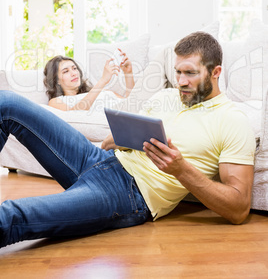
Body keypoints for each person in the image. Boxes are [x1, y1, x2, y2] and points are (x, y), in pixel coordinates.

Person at [0, 32, 256, 249]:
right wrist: (121, 138)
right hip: (98, 158)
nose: (180, 82)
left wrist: (182, 169)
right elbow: (112, 141)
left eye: (190, 73)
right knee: (7, 103)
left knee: (11, 215)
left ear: (216, 72)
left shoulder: (233, 121)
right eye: (177, 72)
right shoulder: (165, 96)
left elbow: (239, 208)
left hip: (130, 194)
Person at [43, 49, 135, 111]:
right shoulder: (56, 101)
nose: (74, 73)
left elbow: (131, 103)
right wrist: (103, 80)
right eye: (66, 71)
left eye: (74, 68)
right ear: (56, 80)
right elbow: (76, 115)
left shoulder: (104, 92)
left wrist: (128, 73)